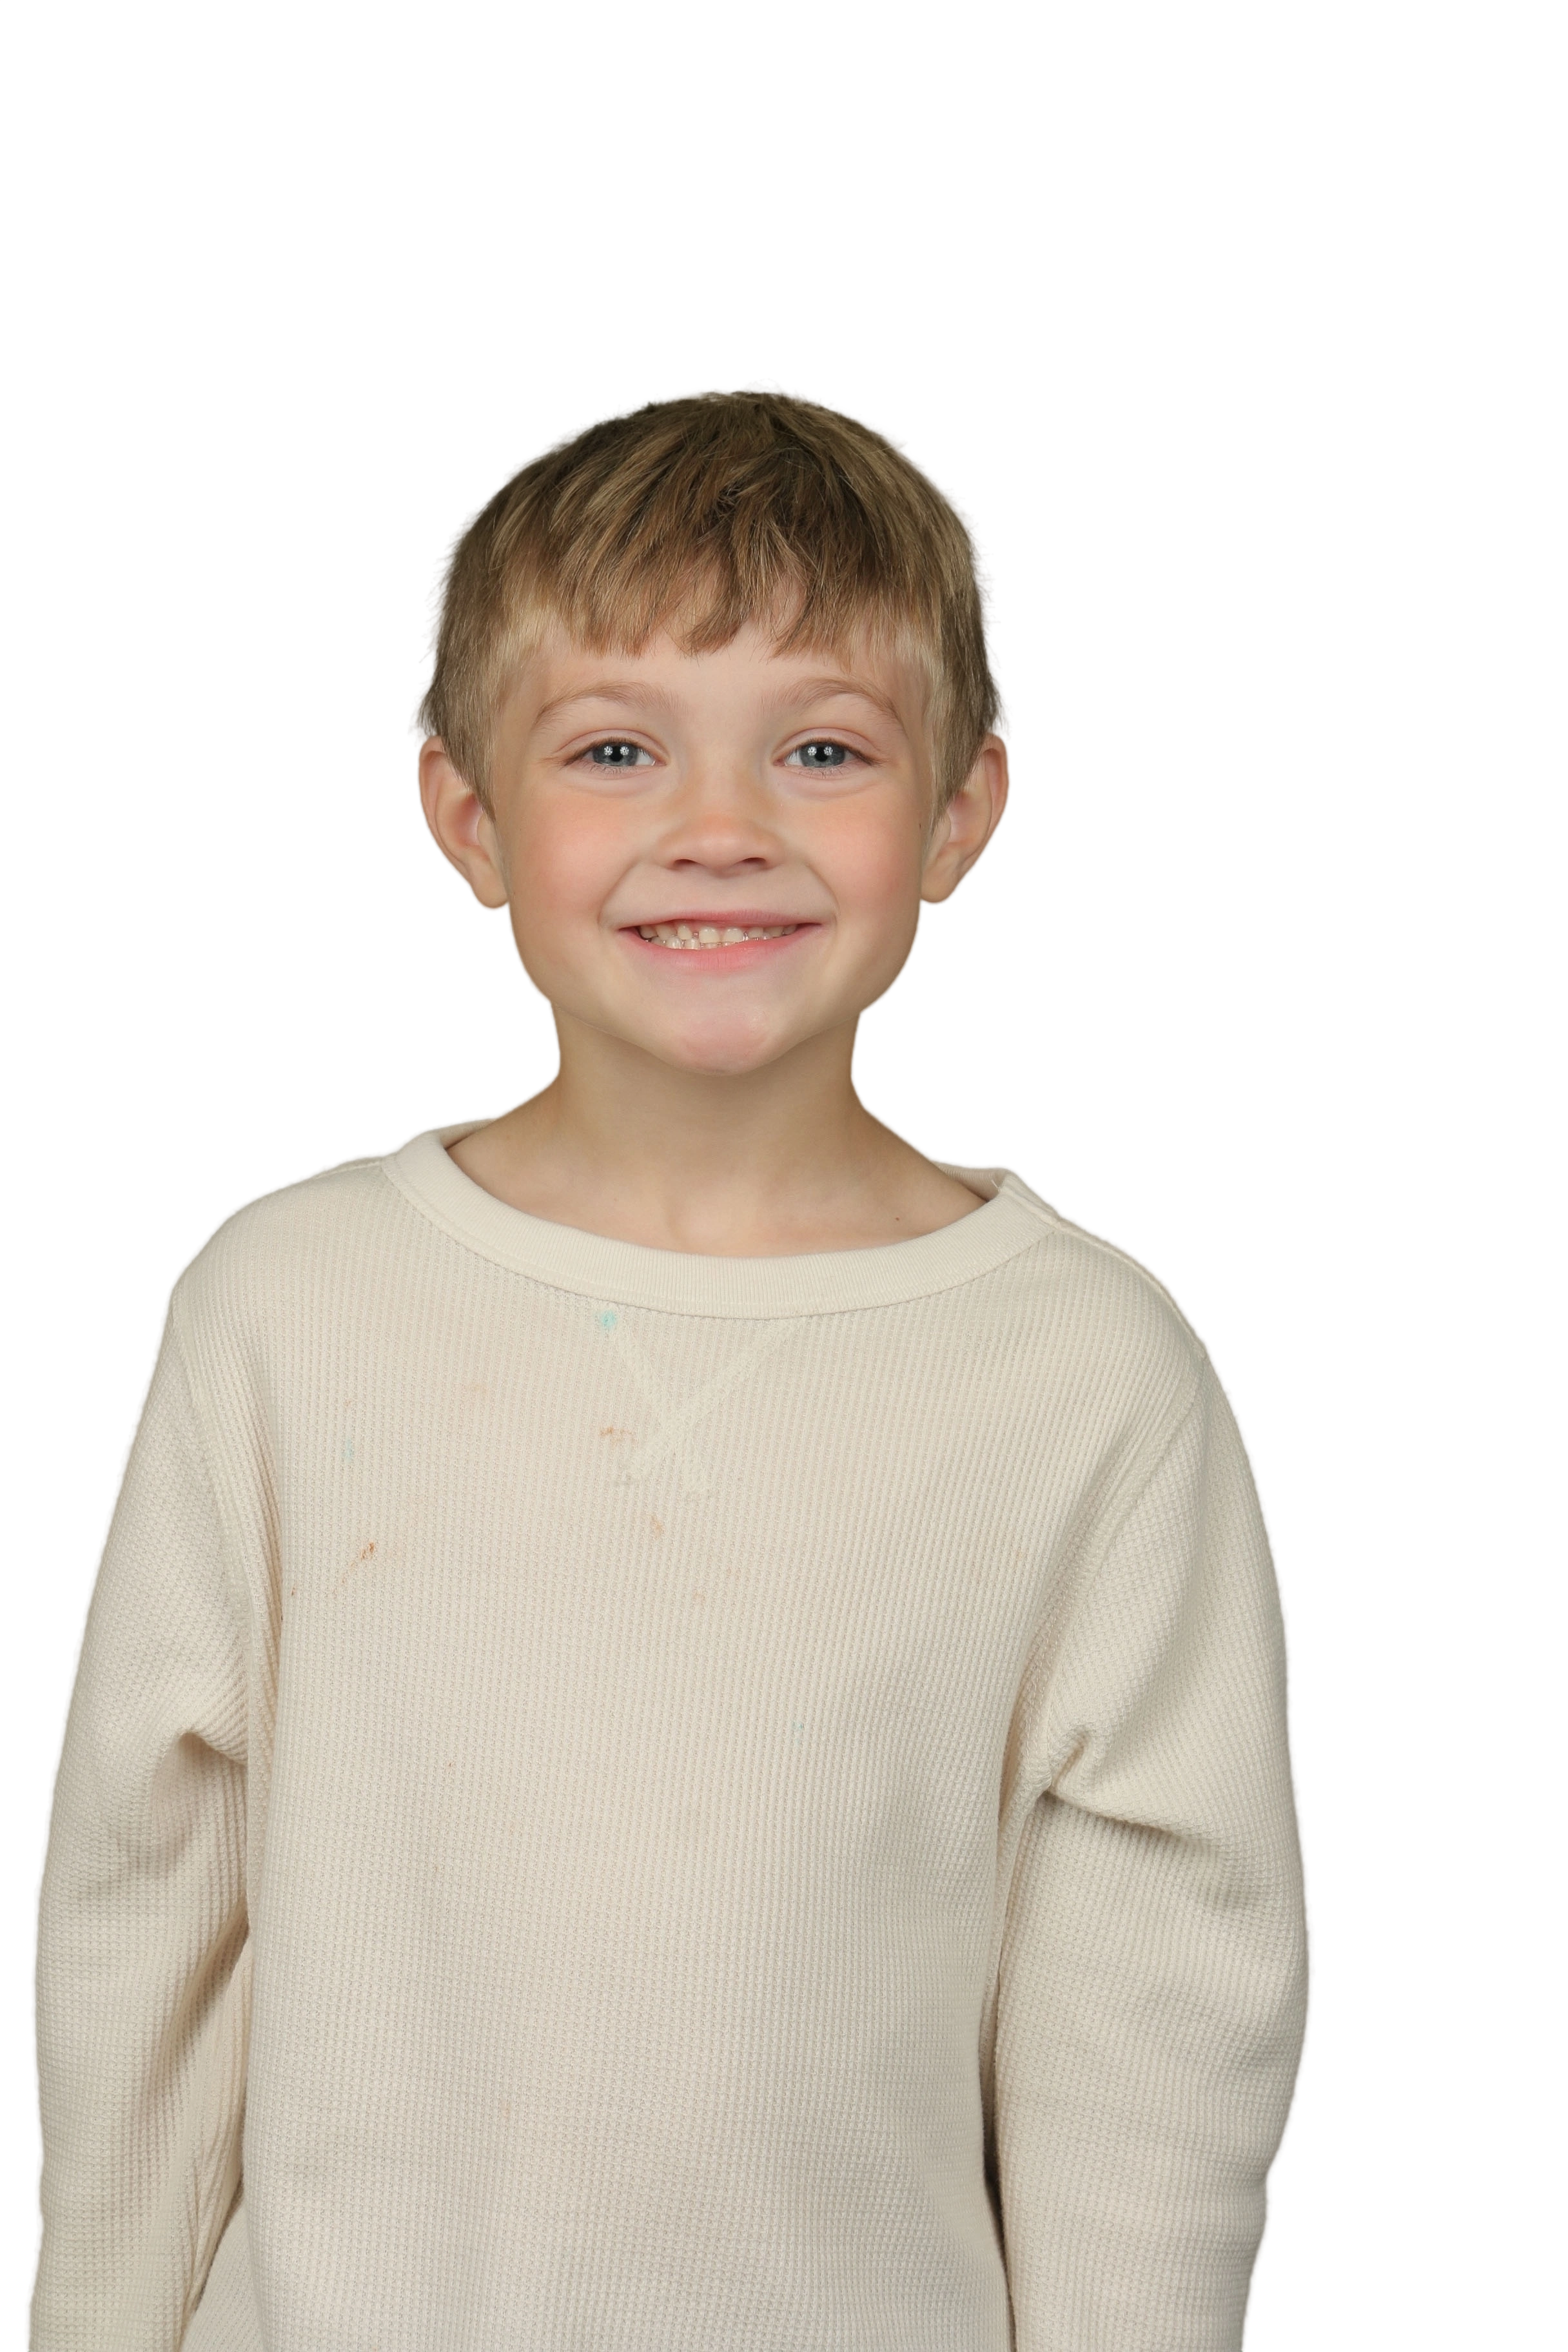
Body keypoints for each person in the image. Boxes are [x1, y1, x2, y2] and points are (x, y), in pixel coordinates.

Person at [25, 377, 1315, 2350]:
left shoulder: (1085, 1376)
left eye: (823, 747)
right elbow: (148, 1911)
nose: (720, 830)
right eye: (617, 748)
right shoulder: (287, 1310)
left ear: (962, 809)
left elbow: (1159, 2013)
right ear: (470, 816)